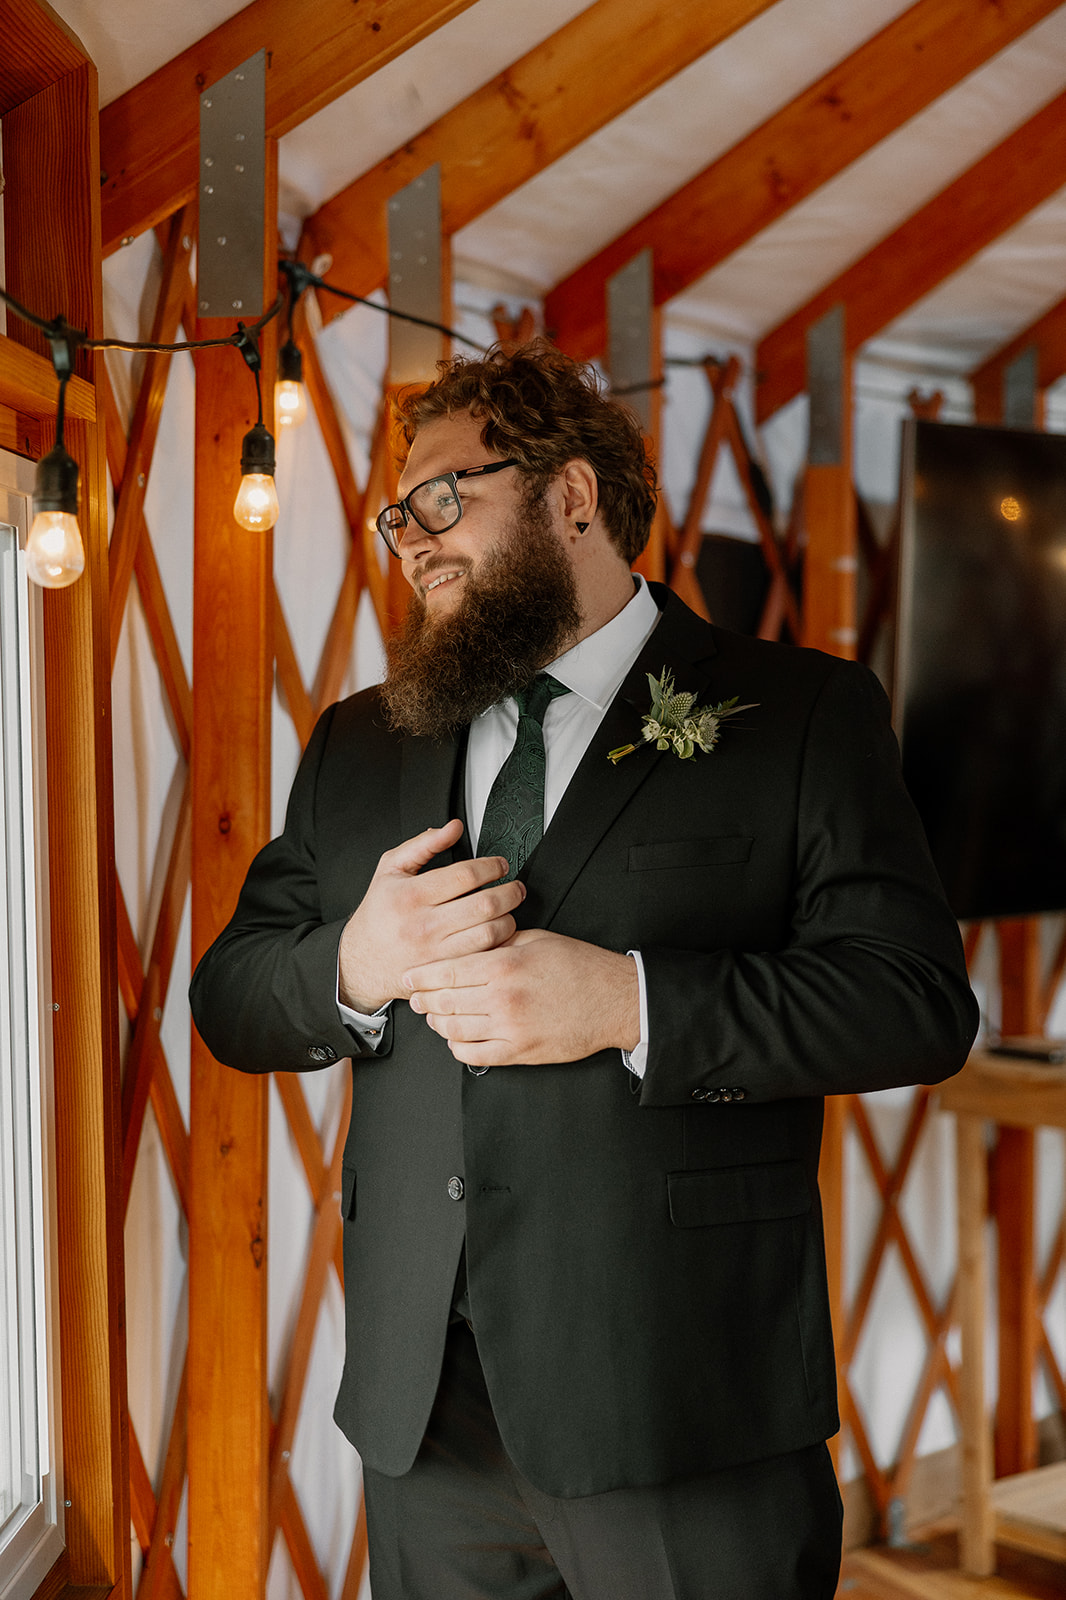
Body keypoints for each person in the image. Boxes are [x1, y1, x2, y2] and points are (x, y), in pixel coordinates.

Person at [190, 343, 978, 1600]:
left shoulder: (799, 714)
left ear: (571, 496)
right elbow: (231, 996)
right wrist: (357, 959)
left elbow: (915, 1004)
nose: (411, 538)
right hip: (426, 1417)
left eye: (445, 496)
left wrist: (627, 1000)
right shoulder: (359, 740)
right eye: (397, 513)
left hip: (681, 1404)